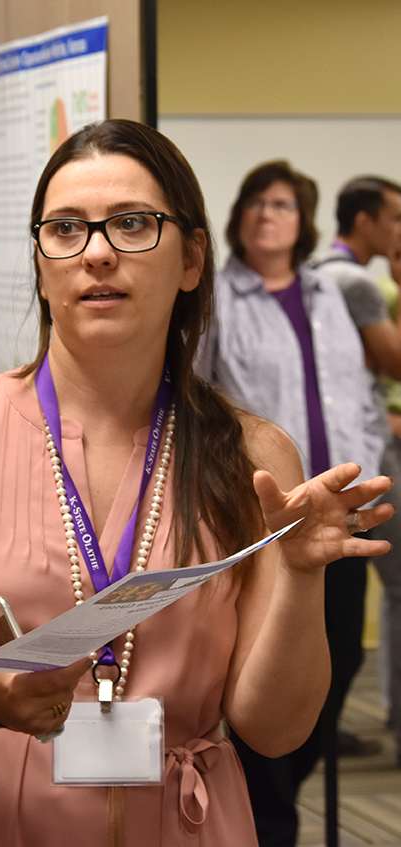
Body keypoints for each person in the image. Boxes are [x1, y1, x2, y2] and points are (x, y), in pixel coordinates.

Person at [0, 120, 394, 847]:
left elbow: (274, 732)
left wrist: (301, 574)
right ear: (40, 258)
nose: (95, 253)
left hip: (186, 821)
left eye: (130, 224)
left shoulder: (252, 455)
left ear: (190, 257)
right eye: (65, 229)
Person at [196, 160, 384, 846]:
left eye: (280, 204)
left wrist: (364, 456)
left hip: (338, 510)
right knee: (264, 667)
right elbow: (199, 395)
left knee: (341, 661)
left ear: (302, 221)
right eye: (253, 202)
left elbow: (355, 389)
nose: (264, 214)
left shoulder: (325, 293)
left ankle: (275, 787)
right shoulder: (217, 295)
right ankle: (268, 815)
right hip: (262, 518)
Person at [311, 176, 401, 768]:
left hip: (337, 455)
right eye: (393, 219)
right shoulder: (355, 281)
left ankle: (324, 727)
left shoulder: (316, 272)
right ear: (364, 221)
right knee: (391, 591)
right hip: (366, 462)